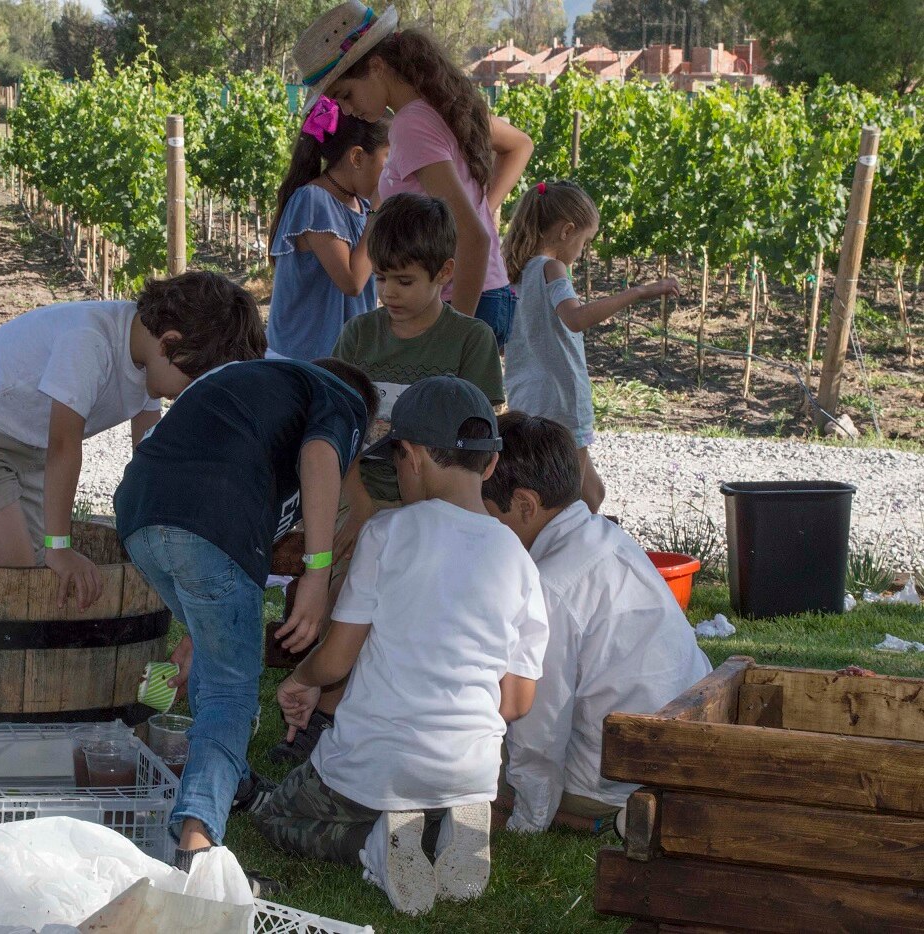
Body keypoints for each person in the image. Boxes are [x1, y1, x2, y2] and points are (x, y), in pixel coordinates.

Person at [254, 377, 548, 915]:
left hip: (381, 758)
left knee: (276, 816)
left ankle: (375, 845)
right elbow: (516, 704)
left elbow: (338, 657)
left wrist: (301, 680)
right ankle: (445, 833)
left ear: (410, 457)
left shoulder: (389, 532)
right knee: (428, 792)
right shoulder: (520, 560)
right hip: (470, 768)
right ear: (489, 465)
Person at [114, 357, 378, 871]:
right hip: (212, 522)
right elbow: (322, 454)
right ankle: (196, 843)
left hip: (139, 515)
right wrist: (317, 577)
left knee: (215, 668)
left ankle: (218, 779)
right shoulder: (341, 400)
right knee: (231, 693)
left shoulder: (256, 391)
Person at [268, 192, 503, 764]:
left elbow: (481, 440)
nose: (389, 295)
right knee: (343, 592)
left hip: (438, 502)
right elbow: (334, 436)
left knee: (400, 611)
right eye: (382, 281)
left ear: (445, 274)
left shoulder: (469, 342)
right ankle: (319, 716)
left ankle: (348, 715)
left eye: (404, 281)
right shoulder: (359, 338)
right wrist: (364, 505)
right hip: (358, 492)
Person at [0, 272, 266, 608]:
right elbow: (64, 446)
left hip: (30, 447)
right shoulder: (90, 341)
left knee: (42, 576)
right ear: (169, 343)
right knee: (17, 571)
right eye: (193, 382)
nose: (188, 395)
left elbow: (150, 459)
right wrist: (59, 545)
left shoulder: (149, 361)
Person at [482, 411, 712, 835]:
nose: (484, 531)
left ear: (525, 505)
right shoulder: (607, 537)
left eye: (490, 516)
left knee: (463, 759)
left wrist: (527, 820)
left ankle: (596, 819)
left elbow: (539, 730)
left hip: (614, 778)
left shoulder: (548, 587)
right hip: (683, 741)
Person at [290, 1, 534, 345]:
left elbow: (473, 238)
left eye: (345, 94)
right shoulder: (439, 106)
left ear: (376, 67)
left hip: (457, 301)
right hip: (485, 295)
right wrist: (480, 208)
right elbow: (517, 148)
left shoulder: (411, 124)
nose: (346, 109)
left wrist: (454, 340)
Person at [500, 180, 680, 513]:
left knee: (593, 494)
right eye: (585, 241)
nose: (583, 252)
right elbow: (575, 318)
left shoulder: (515, 273)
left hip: (528, 399)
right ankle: (561, 558)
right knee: (566, 505)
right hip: (563, 401)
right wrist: (638, 292)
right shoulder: (553, 268)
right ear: (567, 231)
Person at [266, 100, 390, 362]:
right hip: (301, 363)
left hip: (341, 360)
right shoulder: (314, 201)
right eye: (388, 160)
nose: (392, 172)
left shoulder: (361, 205)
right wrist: (378, 213)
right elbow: (352, 282)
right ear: (357, 157)